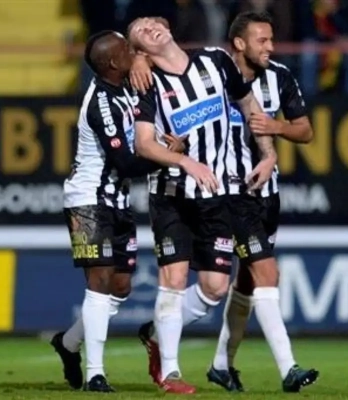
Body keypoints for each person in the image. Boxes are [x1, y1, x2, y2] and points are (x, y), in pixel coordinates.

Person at [126, 17, 277, 394]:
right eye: (141, 30)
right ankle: (171, 373)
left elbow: (248, 104)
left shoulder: (215, 60)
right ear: (140, 50)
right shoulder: (146, 82)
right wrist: (186, 162)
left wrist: (269, 154)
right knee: (173, 279)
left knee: (214, 287)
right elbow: (144, 144)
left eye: (152, 22)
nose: (151, 26)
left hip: (216, 195)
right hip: (172, 195)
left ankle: (156, 333)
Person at [50, 30, 202, 393]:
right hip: (89, 199)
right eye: (126, 49)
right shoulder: (101, 102)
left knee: (121, 287)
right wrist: (171, 158)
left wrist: (166, 143)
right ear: (113, 63)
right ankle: (95, 373)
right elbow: (126, 162)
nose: (132, 52)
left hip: (117, 200)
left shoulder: (127, 89)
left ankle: (68, 343)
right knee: (100, 281)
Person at [207, 11, 318, 393]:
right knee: (268, 274)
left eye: (271, 39)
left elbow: (305, 130)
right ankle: (289, 369)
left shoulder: (280, 76)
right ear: (239, 43)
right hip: (231, 192)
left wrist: (276, 126)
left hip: (267, 194)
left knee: (248, 280)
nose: (270, 47)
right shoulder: (212, 77)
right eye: (262, 40)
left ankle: (221, 365)